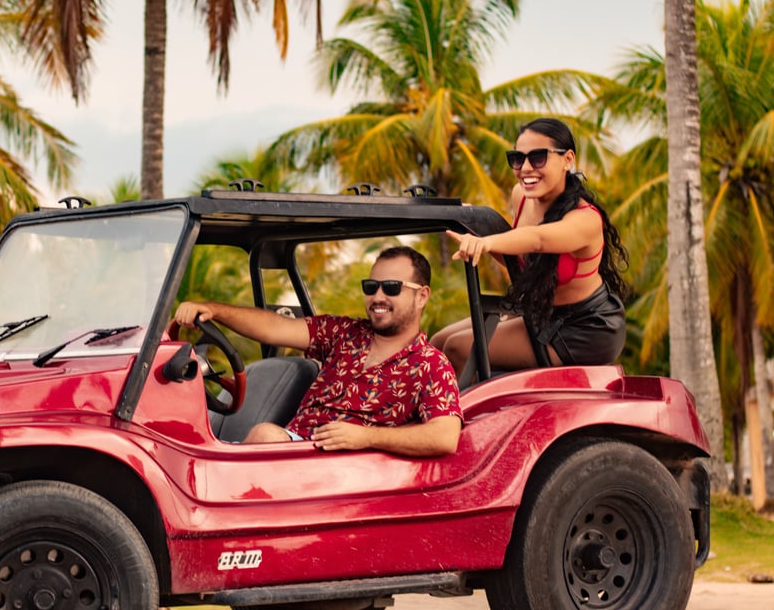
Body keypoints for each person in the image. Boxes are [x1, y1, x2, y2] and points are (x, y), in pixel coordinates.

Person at [173, 246, 462, 456]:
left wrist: (366, 437)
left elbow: (445, 436)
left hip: (346, 469)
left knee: (265, 436)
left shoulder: (430, 364)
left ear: (422, 295)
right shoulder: (346, 333)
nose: (378, 297)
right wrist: (213, 310)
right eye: (371, 286)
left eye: (391, 288)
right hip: (296, 451)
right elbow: (276, 328)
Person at [431, 118, 629, 376]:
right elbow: (524, 260)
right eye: (517, 158)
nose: (525, 168)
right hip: (540, 313)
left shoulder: (586, 220)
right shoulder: (521, 197)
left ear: (568, 159)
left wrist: (486, 241)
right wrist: (473, 224)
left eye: (537, 158)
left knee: (457, 348)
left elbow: (539, 239)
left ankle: (452, 416)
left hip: (583, 328)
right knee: (436, 344)